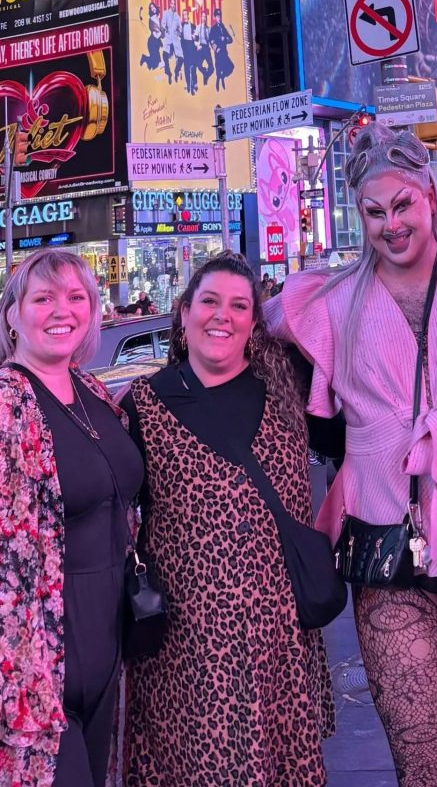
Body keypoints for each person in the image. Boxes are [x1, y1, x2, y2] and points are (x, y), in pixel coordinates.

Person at [264, 125, 437, 786]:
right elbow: (233, 325)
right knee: (426, 766)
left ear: (432, 199)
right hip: (383, 540)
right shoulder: (328, 298)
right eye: (373, 211)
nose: (390, 224)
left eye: (402, 205)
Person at [122, 252, 334, 786]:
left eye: (240, 306)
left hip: (277, 642)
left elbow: (319, 296)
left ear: (256, 323)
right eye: (210, 302)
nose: (223, 316)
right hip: (187, 649)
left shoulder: (289, 394)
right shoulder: (144, 405)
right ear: (184, 312)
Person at [0, 249, 144, 787]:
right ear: (13, 314)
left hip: (107, 637)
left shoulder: (94, 392)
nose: (62, 310)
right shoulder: (7, 402)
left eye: (76, 297)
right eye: (43, 298)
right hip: (34, 656)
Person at [208, 7, 234, 91]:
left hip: (224, 52)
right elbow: (211, 41)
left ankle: (222, 77)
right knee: (218, 69)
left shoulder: (223, 27)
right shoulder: (213, 28)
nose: (219, 18)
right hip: (218, 53)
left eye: (220, 16)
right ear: (215, 17)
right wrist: (216, 49)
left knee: (230, 67)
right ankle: (218, 80)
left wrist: (224, 38)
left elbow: (230, 39)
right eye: (217, 16)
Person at [160, 0, 181, 85]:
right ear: (170, 4)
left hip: (175, 41)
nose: (173, 5)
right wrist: (165, 28)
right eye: (172, 4)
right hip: (168, 40)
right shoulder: (166, 13)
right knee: (165, 55)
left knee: (181, 58)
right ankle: (169, 73)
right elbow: (162, 24)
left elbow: (180, 28)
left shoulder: (177, 16)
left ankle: (176, 72)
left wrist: (179, 31)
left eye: (174, 4)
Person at [139, 2, 162, 70]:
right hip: (152, 42)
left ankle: (145, 59)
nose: (153, 9)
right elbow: (156, 35)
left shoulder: (159, 19)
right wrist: (162, 32)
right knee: (156, 64)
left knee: (156, 64)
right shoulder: (151, 20)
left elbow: (161, 33)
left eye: (153, 7)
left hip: (156, 44)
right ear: (150, 10)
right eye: (151, 8)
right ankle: (144, 58)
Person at [194, 10, 214, 86]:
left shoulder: (208, 29)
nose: (204, 18)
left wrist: (213, 47)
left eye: (205, 17)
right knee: (198, 65)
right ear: (201, 17)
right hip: (201, 48)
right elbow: (195, 39)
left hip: (207, 49)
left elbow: (210, 40)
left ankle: (206, 75)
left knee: (212, 68)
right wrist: (197, 45)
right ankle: (204, 72)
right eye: (203, 16)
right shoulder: (198, 27)